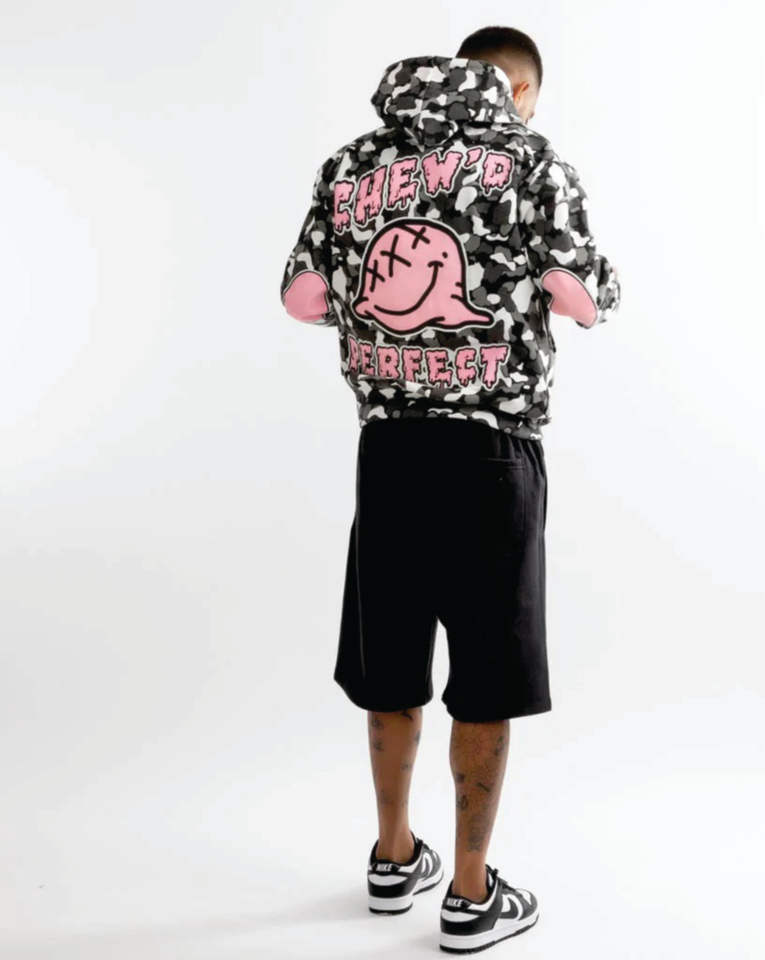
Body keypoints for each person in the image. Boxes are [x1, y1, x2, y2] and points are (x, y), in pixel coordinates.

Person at [280, 24, 621, 953]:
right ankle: (471, 895)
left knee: (390, 661)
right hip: (491, 452)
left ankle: (394, 857)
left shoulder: (352, 164)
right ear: (520, 92)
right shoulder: (533, 161)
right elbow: (578, 294)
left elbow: (303, 299)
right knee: (486, 674)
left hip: (388, 450)